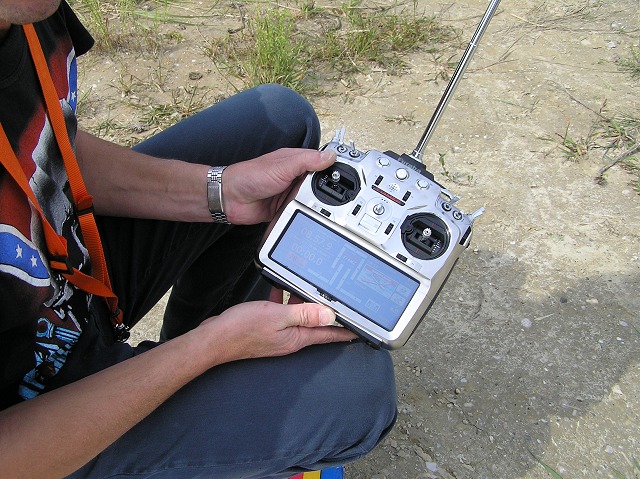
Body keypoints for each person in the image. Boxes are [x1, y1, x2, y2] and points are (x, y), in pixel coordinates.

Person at [0, 1, 397, 478]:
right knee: (357, 390)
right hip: (33, 434)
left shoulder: (22, 9)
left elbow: (47, 145)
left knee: (277, 122)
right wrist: (206, 350)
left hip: (73, 287)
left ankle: (205, 385)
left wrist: (221, 190)